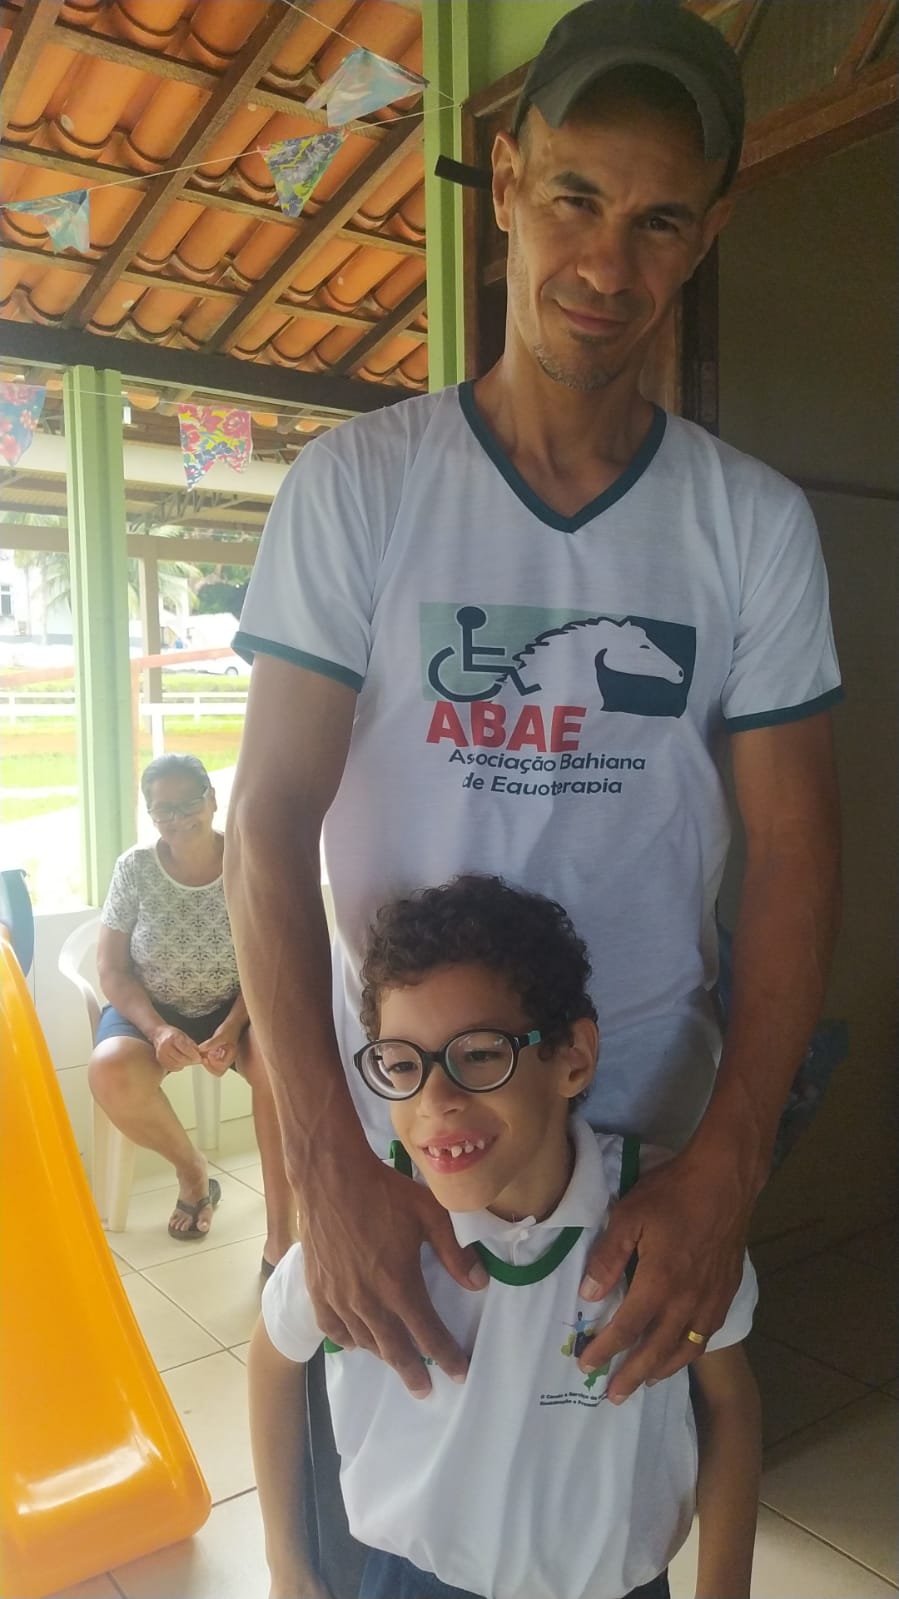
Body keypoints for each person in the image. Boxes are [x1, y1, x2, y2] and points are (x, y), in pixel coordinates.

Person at [227, 0, 841, 1407]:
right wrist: (322, 1154)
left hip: (643, 1162)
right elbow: (265, 822)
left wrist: (726, 1162)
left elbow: (795, 851)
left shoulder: (749, 525)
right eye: (573, 197)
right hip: (410, 1146)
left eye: (658, 220)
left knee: (615, 1501)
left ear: (708, 233)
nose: (606, 265)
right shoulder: (358, 487)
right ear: (503, 182)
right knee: (389, 1486)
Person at [249, 877, 762, 1599]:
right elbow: (273, 1358)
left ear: (573, 1057)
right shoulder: (368, 1233)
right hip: (415, 1584)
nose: (436, 1101)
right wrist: (287, 1566)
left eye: (482, 1054)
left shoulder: (662, 1219)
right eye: (402, 1063)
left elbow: (730, 1399)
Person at [89, 754, 294, 1273]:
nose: (178, 818)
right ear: (150, 813)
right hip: (151, 1008)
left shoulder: (247, 861)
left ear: (212, 800)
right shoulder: (135, 868)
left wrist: (232, 1026)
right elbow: (111, 969)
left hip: (238, 1005)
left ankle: (281, 1236)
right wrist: (156, 1029)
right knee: (110, 1072)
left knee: (278, 1071)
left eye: (189, 803)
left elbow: (270, 960)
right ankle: (193, 1173)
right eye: (164, 809)